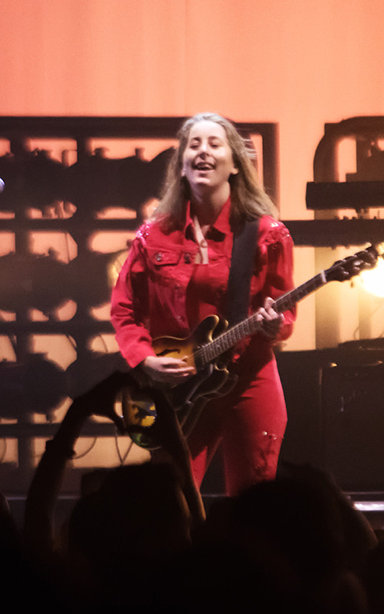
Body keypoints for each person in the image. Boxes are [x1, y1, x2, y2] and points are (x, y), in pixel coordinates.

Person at [110, 112, 296, 497]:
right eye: (194, 145)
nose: (203, 152)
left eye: (215, 144)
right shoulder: (153, 235)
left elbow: (285, 309)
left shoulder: (265, 234)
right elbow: (125, 309)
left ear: (234, 165)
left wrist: (276, 325)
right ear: (180, 165)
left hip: (249, 378)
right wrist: (144, 359)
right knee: (169, 499)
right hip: (178, 385)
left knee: (253, 503)